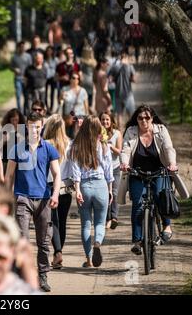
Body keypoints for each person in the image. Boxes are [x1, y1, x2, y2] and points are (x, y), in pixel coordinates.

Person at [119, 105, 189, 255]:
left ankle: (167, 226)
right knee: (137, 205)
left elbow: (168, 148)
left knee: (160, 196)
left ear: (152, 118)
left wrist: (172, 164)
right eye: (140, 118)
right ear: (136, 119)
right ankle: (138, 241)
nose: (144, 121)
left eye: (147, 118)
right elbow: (125, 149)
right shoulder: (131, 132)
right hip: (137, 173)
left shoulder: (161, 130)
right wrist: (124, 163)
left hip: (159, 172)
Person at [5, 112, 61, 292]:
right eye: (31, 126)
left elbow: (57, 174)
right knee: (23, 240)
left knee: (44, 242)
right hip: (23, 198)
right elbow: (9, 175)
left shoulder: (49, 148)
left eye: (38, 126)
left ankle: (43, 276)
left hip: (44, 200)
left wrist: (55, 195)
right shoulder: (17, 148)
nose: (34, 129)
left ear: (42, 126)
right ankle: (24, 277)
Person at [70, 115, 114, 268]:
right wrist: (110, 190)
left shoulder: (76, 146)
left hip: (85, 187)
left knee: (85, 225)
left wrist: (77, 190)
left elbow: (75, 171)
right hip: (101, 185)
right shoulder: (103, 145)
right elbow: (109, 170)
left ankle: (89, 260)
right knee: (100, 223)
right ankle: (97, 243)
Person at [43, 114, 73, 269]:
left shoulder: (44, 145)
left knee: (53, 221)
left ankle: (58, 252)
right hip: (66, 187)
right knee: (62, 221)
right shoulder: (70, 144)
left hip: (49, 186)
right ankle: (58, 253)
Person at [99, 112, 123, 229]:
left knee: (114, 193)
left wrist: (110, 146)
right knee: (105, 194)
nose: (105, 122)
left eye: (107, 120)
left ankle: (114, 217)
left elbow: (120, 151)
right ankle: (107, 218)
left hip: (115, 167)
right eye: (103, 120)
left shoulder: (117, 134)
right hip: (102, 169)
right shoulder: (98, 134)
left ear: (111, 121)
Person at [109, 48, 136, 129]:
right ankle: (131, 131)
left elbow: (110, 79)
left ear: (120, 57)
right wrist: (129, 78)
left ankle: (120, 135)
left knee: (119, 115)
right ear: (126, 57)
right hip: (128, 94)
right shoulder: (130, 66)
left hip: (118, 93)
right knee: (131, 115)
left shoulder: (115, 67)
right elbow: (134, 79)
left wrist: (116, 79)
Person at [59, 71, 89, 139]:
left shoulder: (83, 91)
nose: (75, 80)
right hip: (68, 117)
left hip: (79, 116)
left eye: (77, 78)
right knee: (67, 136)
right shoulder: (65, 89)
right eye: (73, 78)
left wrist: (87, 120)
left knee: (76, 136)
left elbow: (86, 107)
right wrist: (61, 96)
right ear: (70, 79)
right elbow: (60, 102)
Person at [0, 108, 26, 174]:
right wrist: (4, 140)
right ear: (9, 120)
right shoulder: (5, 129)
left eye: (16, 120)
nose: (14, 122)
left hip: (19, 161)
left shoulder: (23, 129)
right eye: (12, 120)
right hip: (6, 160)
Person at [10, 41, 32, 111]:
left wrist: (28, 77)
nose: (22, 48)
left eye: (23, 47)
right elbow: (10, 67)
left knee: (26, 96)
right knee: (18, 95)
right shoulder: (14, 57)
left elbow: (31, 67)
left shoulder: (28, 56)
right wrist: (14, 69)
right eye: (21, 47)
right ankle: (20, 110)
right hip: (17, 78)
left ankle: (25, 110)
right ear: (18, 48)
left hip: (25, 79)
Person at [80, 43, 97, 110]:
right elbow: (95, 74)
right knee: (89, 99)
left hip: (83, 81)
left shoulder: (82, 61)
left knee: (83, 99)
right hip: (90, 81)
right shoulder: (93, 62)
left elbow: (80, 72)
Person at [44, 46, 59, 112]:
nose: (49, 52)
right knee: (45, 93)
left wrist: (56, 76)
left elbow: (58, 69)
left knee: (52, 94)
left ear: (52, 52)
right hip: (45, 78)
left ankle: (51, 108)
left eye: (50, 51)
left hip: (53, 78)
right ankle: (46, 107)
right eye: (48, 51)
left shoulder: (55, 59)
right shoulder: (44, 60)